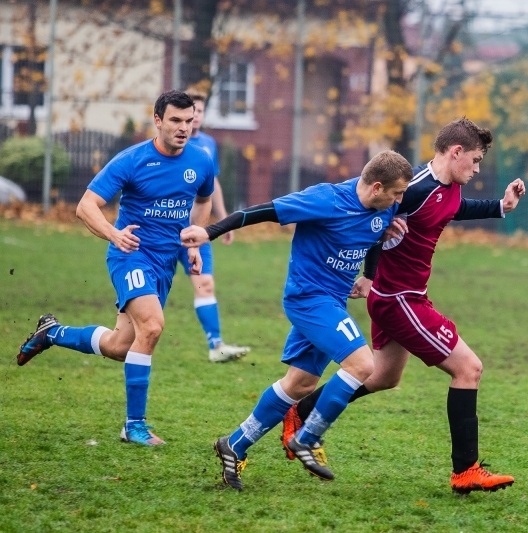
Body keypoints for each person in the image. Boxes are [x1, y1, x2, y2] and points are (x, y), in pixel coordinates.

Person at [283, 118, 524, 494]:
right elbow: (370, 219)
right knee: (469, 369)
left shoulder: (448, 188)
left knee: (383, 377)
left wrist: (501, 206)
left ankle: (300, 413)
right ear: (456, 152)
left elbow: (452, 208)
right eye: (475, 160)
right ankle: (466, 471)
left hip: (401, 297)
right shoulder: (413, 188)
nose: (477, 169)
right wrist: (368, 274)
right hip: (399, 299)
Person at [180, 150, 412, 490]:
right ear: (377, 187)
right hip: (308, 299)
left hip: (332, 302)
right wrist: (209, 232)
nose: (400, 201)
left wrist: (370, 274)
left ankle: (235, 443)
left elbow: (373, 233)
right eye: (397, 194)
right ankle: (308, 437)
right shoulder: (326, 200)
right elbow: (262, 211)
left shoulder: (384, 207)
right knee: (363, 364)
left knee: (299, 384)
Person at [16, 90, 216, 446]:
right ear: (158, 121)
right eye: (175, 120)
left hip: (165, 262)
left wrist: (194, 242)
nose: (184, 128)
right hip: (131, 255)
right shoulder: (132, 160)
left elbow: (203, 200)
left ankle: (53, 333)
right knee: (152, 327)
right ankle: (134, 426)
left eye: (189, 121)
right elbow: (86, 206)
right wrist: (114, 234)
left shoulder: (201, 161)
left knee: (121, 346)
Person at [178, 92, 250, 362]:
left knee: (205, 284)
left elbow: (212, 185)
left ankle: (215, 345)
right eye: (192, 111)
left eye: (200, 111)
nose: (196, 116)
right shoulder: (169, 144)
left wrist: (223, 220)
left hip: (196, 230)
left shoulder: (208, 144)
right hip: (165, 229)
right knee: (153, 292)